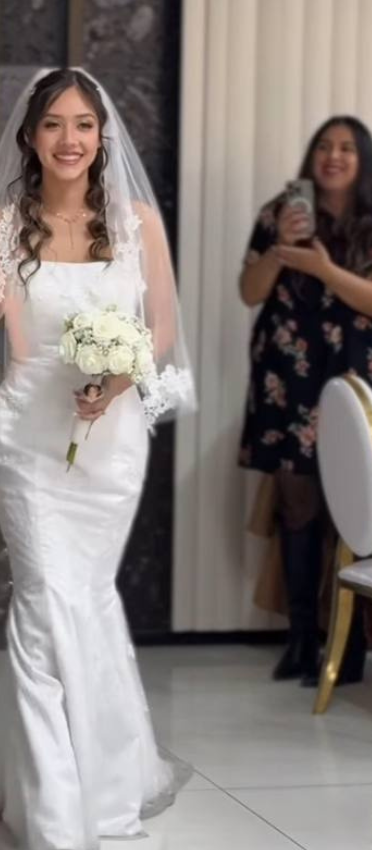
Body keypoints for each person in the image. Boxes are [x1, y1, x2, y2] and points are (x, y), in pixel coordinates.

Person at [0, 68, 195, 850]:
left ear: (103, 136)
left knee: (83, 600)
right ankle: (55, 812)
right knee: (46, 598)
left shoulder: (138, 222)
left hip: (110, 441)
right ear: (29, 135)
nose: (70, 140)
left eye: (84, 124)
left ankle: (100, 779)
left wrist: (119, 376)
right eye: (53, 124)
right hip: (26, 440)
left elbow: (158, 331)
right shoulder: (0, 227)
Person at [239, 116, 372, 687]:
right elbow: (250, 292)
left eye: (346, 148)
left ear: (363, 159)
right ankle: (300, 641)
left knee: (357, 513)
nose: (333, 156)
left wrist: (323, 269)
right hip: (285, 376)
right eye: (324, 146)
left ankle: (354, 648)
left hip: (354, 377)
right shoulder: (279, 212)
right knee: (297, 508)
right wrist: (283, 250)